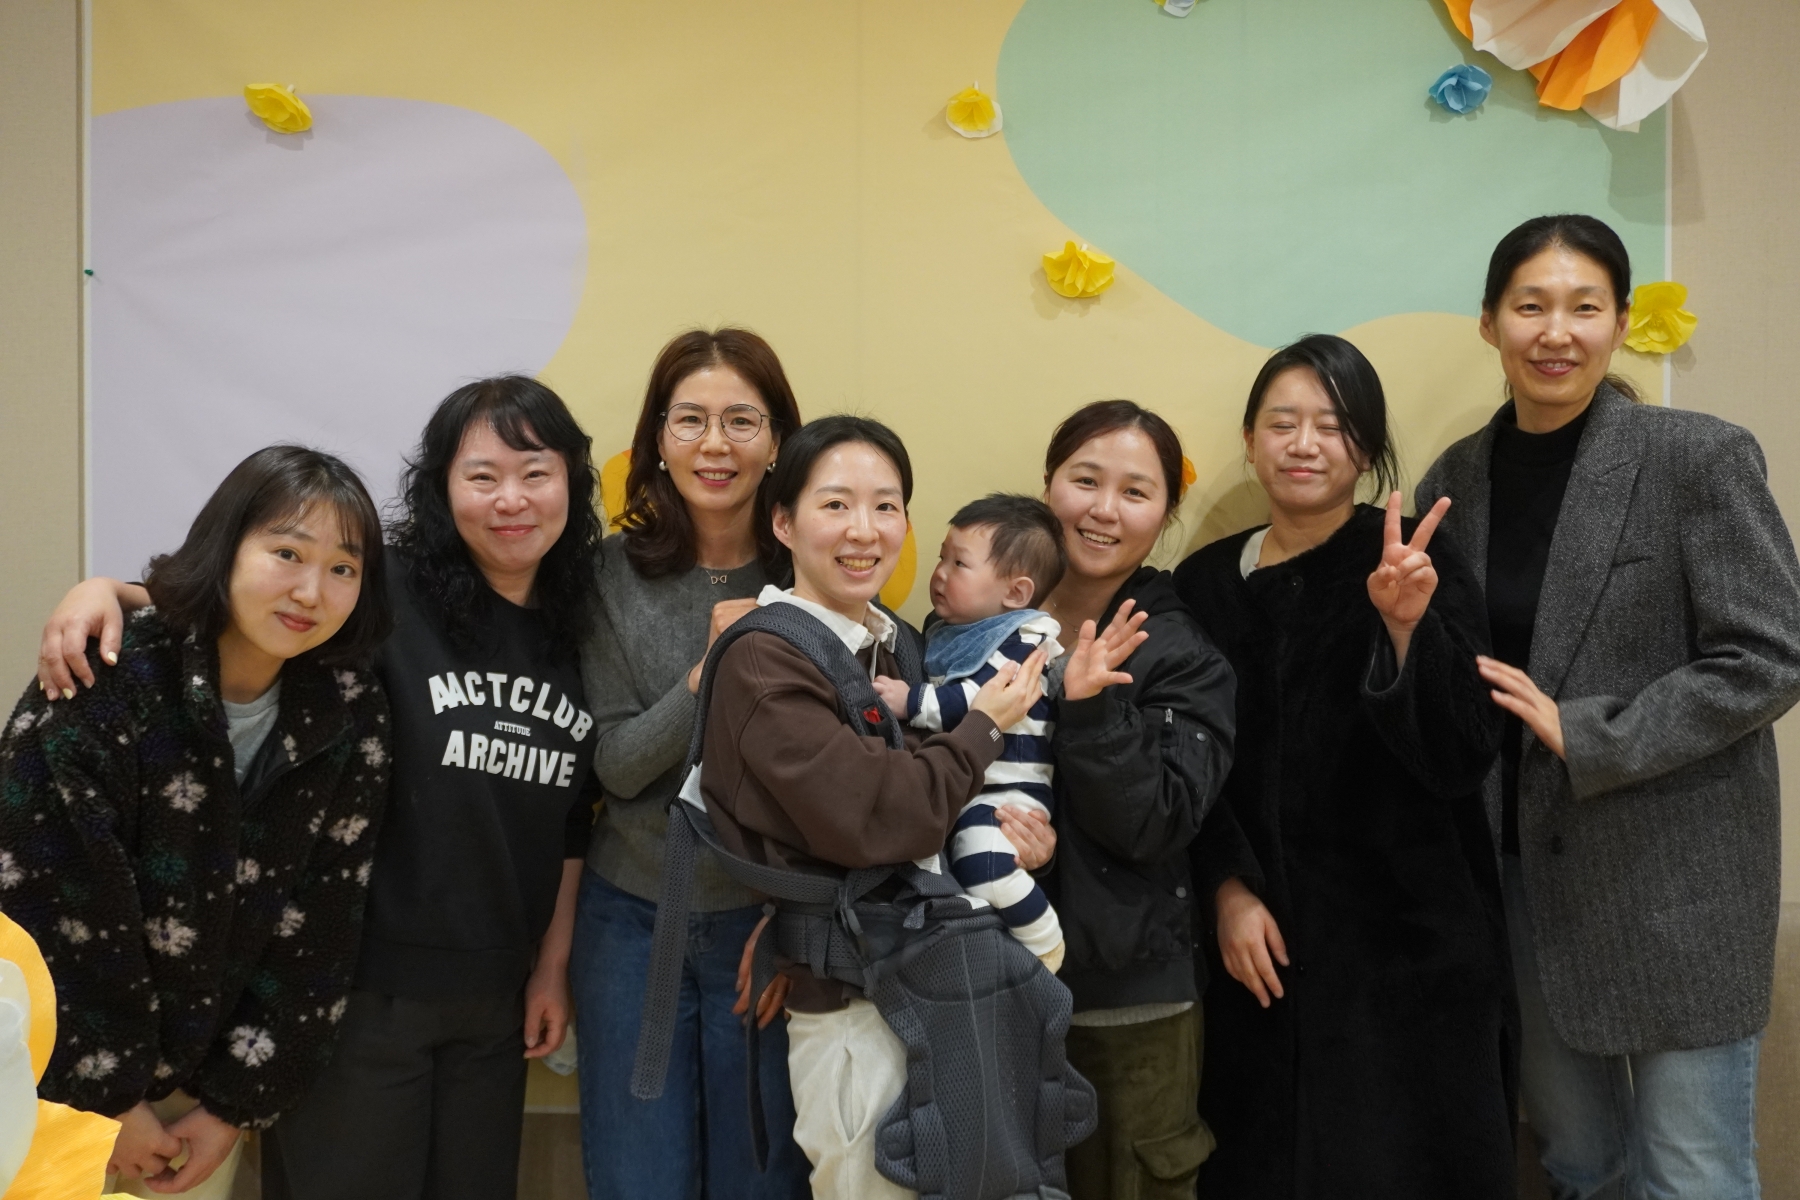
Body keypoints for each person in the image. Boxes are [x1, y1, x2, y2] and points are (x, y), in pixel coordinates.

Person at [33, 376, 607, 1200]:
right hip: (352, 989)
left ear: (572, 480)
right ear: (442, 486)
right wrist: (107, 592)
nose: (510, 499)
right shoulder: (382, 589)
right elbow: (247, 605)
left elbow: (575, 818)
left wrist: (551, 968)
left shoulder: (585, 618)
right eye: (482, 475)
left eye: (536, 473)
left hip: (495, 996)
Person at [1417, 214, 1800, 1200]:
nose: (1557, 331)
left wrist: (1587, 730)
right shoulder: (1453, 480)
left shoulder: (1698, 458)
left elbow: (1770, 654)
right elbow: (1449, 682)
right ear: (1489, 323)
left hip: (1680, 882)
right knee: (1583, 1167)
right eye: (1530, 306)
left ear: (1621, 323)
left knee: (1693, 1176)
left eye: (1584, 307)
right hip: (1525, 884)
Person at [682, 416, 1077, 1198]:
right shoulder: (764, 656)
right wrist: (984, 727)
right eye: (835, 504)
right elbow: (884, 815)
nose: (865, 530)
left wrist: (1016, 830)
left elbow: (927, 802)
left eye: (886, 506)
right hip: (855, 1011)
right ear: (783, 522)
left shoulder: (894, 641)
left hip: (933, 984)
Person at [1, 446, 393, 1198]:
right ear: (227, 543)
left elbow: (321, 922)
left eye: (343, 568)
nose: (310, 591)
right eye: (287, 553)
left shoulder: (348, 708)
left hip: (199, 1098)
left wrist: (233, 1106)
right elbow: (46, 894)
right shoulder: (107, 668)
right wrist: (113, 1097)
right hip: (51, 1072)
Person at [1174, 335, 1513, 1198]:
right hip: (1260, 955)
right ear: (1249, 440)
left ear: (1365, 449)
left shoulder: (1413, 560)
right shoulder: (1204, 583)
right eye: (1282, 423)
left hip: (1409, 955)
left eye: (1332, 425)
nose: (1304, 444)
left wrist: (1406, 629)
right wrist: (1226, 888)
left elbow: (1467, 749)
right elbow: (1185, 760)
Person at [570, 327, 810, 1199]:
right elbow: (619, 766)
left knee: (763, 1176)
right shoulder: (605, 574)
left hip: (767, 927)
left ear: (777, 442)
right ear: (658, 440)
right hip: (632, 924)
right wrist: (709, 672)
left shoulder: (815, 569)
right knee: (639, 1177)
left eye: (742, 420)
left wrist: (795, 923)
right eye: (691, 420)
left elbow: (834, 783)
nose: (716, 444)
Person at [1034, 400, 1237, 1200]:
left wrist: (1088, 708)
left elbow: (1154, 821)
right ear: (1047, 485)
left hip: (1126, 1006)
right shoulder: (980, 618)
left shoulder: (1182, 652)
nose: (1104, 510)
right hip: (987, 988)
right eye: (1085, 480)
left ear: (1165, 515)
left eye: (1135, 492)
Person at [873, 493, 1069, 969]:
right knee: (963, 877)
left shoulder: (1023, 642)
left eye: (959, 563)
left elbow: (978, 701)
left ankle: (1044, 943)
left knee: (986, 867)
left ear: (1016, 594)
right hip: (972, 787)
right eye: (942, 557)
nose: (940, 573)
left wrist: (910, 700)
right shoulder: (953, 632)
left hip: (1009, 793)